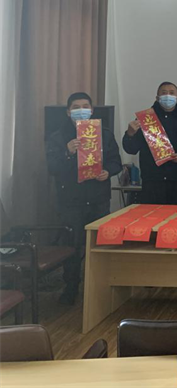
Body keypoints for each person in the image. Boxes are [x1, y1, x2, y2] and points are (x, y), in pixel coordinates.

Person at [46, 92, 122, 304]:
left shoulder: (104, 134)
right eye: (76, 107)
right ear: (68, 112)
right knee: (72, 246)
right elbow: (52, 168)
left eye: (85, 106)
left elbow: (116, 161)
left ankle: (99, 287)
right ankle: (71, 287)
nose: (81, 110)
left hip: (98, 198)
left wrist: (108, 171)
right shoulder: (58, 137)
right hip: (71, 200)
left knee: (99, 244)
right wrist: (67, 152)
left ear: (92, 110)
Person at [122, 81, 177, 205]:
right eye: (164, 93)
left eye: (172, 93)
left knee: (175, 215)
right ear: (157, 97)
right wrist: (130, 134)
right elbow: (131, 149)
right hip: (152, 179)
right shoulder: (146, 119)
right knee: (151, 214)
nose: (168, 96)